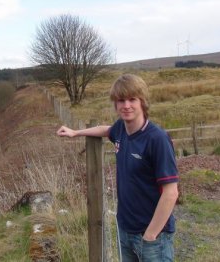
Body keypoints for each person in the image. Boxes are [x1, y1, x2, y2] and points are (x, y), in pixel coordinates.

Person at [57, 73, 179, 261]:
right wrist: (76, 132)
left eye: (132, 99)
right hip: (125, 230)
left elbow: (171, 193)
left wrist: (150, 235)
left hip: (152, 237)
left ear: (142, 102)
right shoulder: (121, 129)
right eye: (121, 100)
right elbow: (106, 129)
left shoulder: (157, 139)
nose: (126, 105)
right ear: (115, 104)